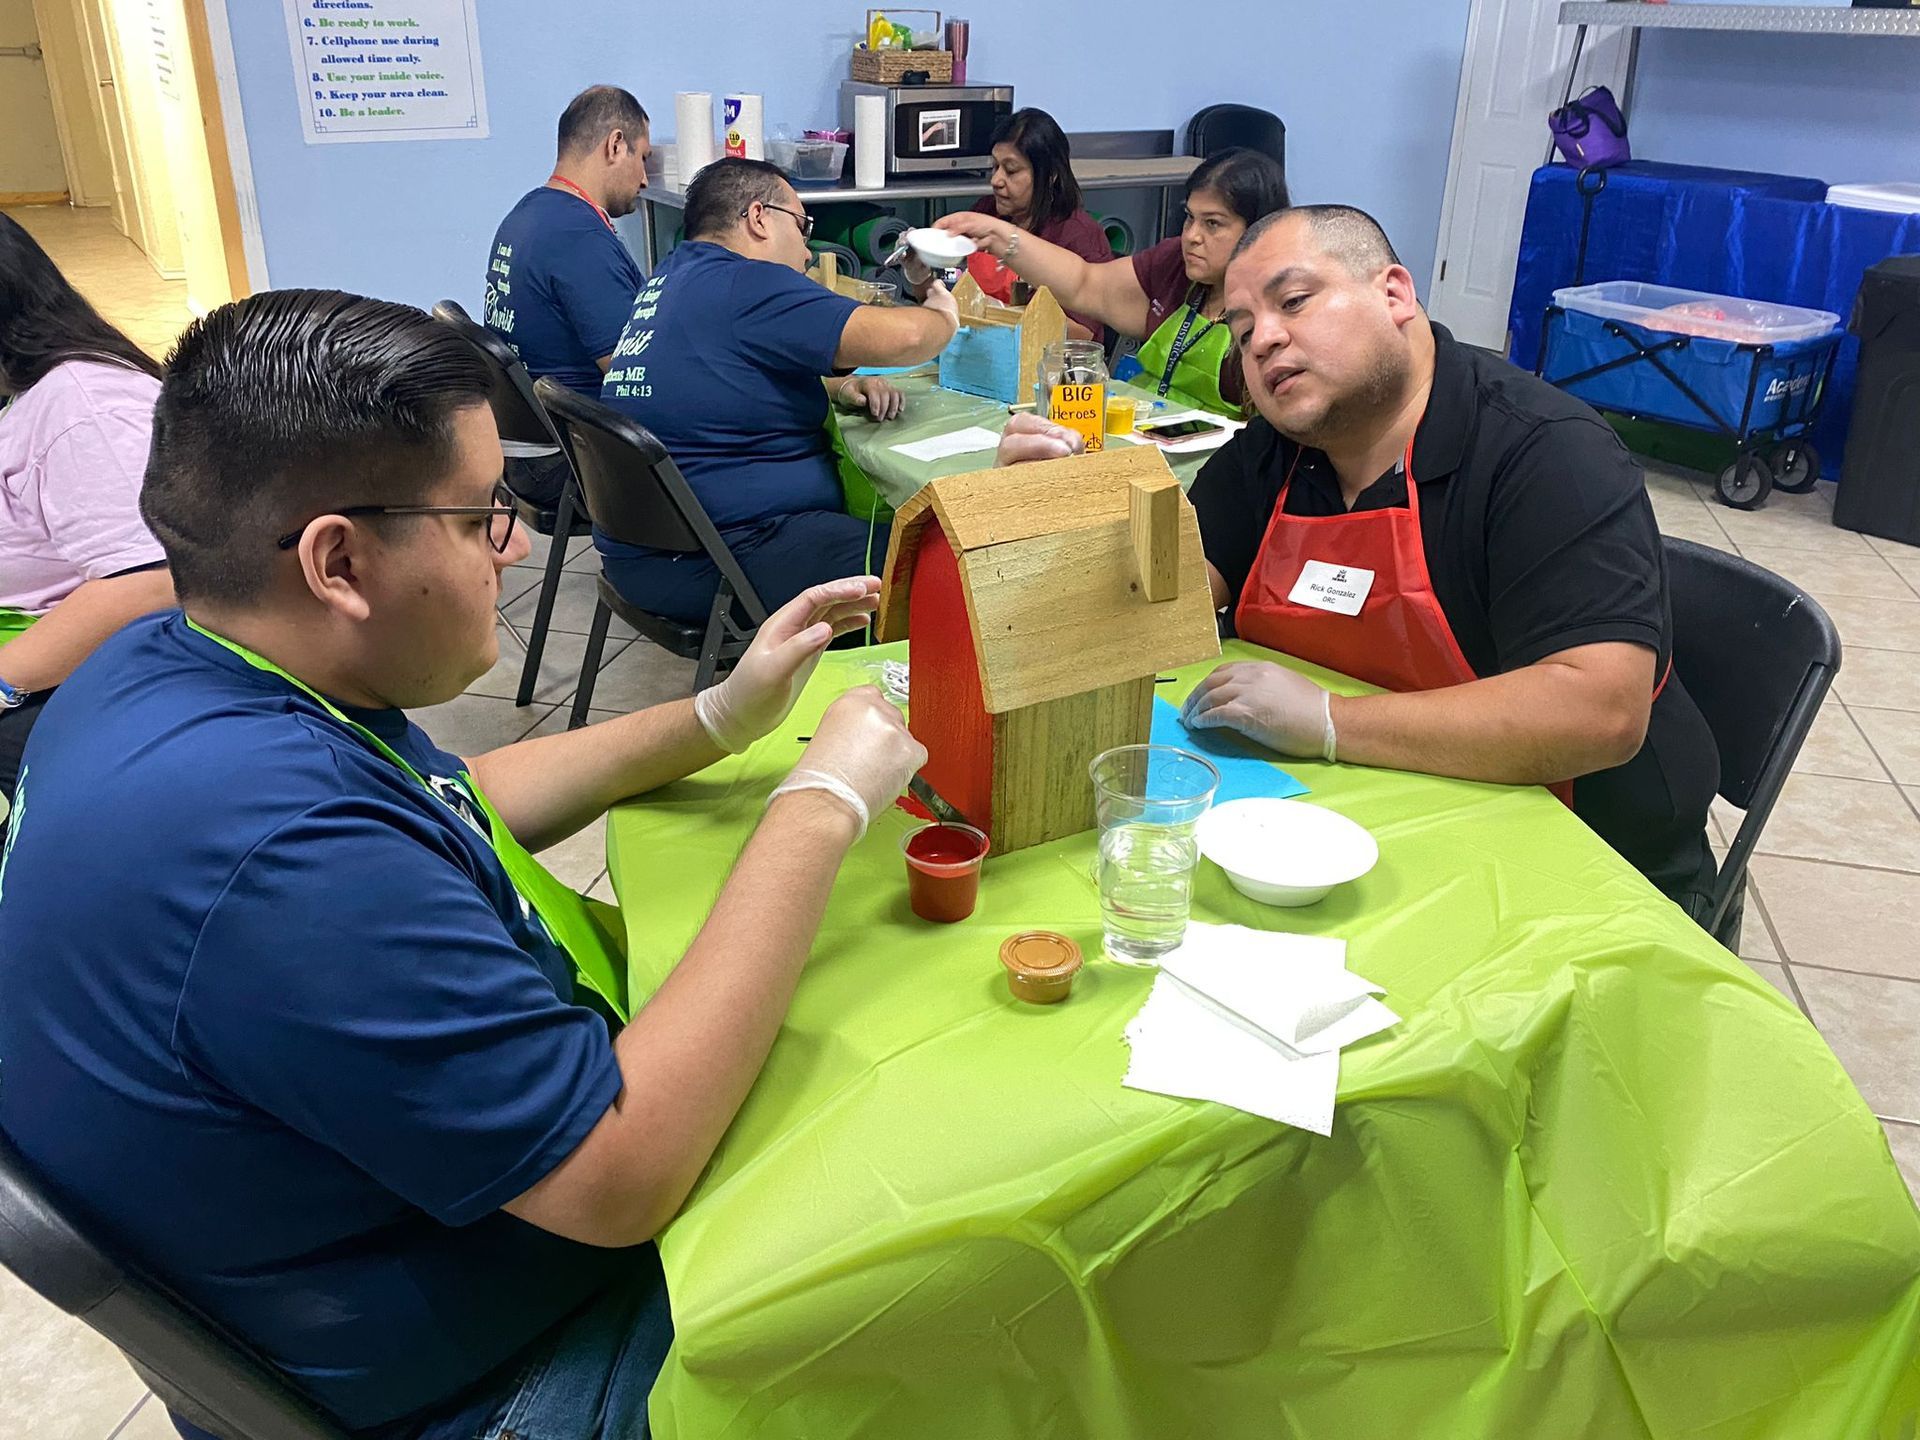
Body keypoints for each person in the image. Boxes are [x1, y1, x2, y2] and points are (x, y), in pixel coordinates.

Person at [0, 288, 928, 1440]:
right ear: (338, 562)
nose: (519, 542)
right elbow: (620, 1176)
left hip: (341, 1268)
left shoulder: (169, 657)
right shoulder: (282, 861)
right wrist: (821, 801)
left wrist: (716, 721)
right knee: (941, 1269)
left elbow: (440, 802)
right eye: (483, 513)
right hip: (491, 1382)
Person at [1181, 206, 1720, 913]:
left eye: (1294, 302)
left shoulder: (1545, 452)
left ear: (1395, 293)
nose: (1264, 342)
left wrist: (1332, 721)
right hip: (1336, 831)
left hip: (1576, 863)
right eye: (1244, 331)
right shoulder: (1273, 457)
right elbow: (1165, 597)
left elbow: (1601, 710)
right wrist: (1042, 499)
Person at [597, 157, 959, 625]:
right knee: (943, 558)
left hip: (649, 552)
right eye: (803, 226)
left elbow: (725, 372)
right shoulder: (749, 283)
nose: (807, 251)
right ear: (759, 217)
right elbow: (910, 338)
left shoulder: (669, 280)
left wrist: (839, 385)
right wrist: (935, 296)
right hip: (726, 560)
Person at [0, 213, 175, 815]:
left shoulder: (84, 404)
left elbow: (150, 584)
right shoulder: (23, 390)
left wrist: (3, 682)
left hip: (96, 683)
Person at [937, 147, 1288, 417]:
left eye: (1213, 224)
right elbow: (1084, 282)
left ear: (1258, 232)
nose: (1192, 237)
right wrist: (997, 235)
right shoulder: (1175, 267)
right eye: (1189, 219)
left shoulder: (1278, 320)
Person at [484, 85, 652, 506]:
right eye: (643, 158)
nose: (645, 179)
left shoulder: (526, 215)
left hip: (524, 450)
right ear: (616, 145)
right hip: (569, 462)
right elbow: (632, 371)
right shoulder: (578, 236)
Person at [942, 108, 1113, 341]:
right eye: (995, 167)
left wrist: (1000, 314)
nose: (996, 180)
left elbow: (1082, 334)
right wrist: (921, 275)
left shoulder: (1078, 235)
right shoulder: (986, 212)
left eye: (1011, 170)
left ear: (1051, 174)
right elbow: (948, 290)